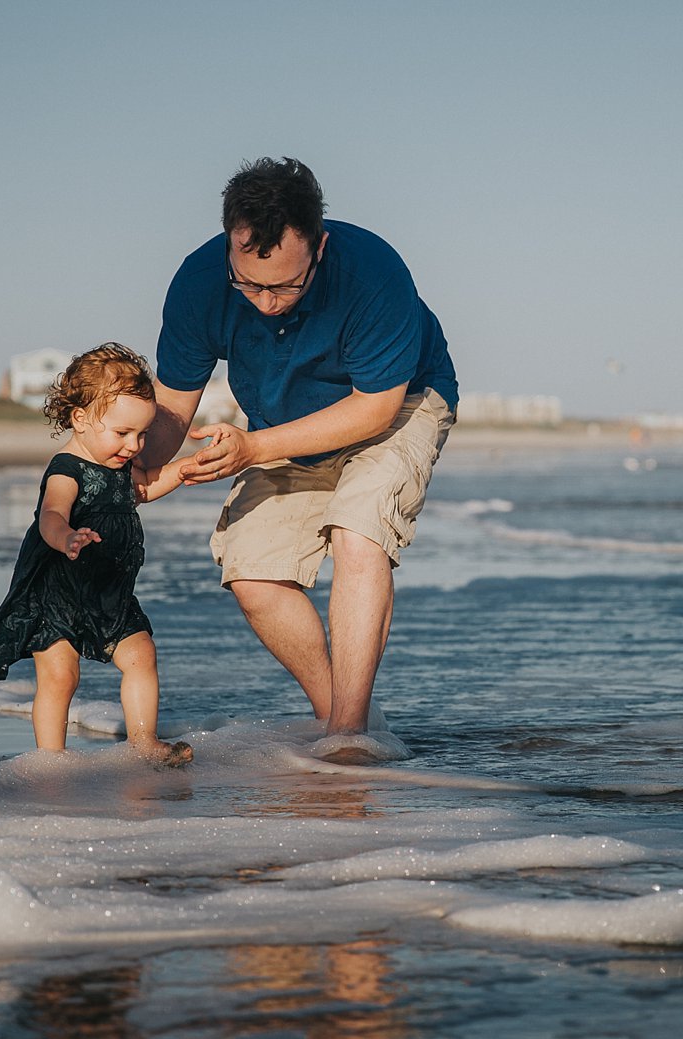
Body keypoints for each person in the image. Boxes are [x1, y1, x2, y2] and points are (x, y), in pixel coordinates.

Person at [143, 157, 458, 742]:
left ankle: (347, 738)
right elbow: (172, 411)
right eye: (249, 284)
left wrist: (253, 447)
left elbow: (375, 409)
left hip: (400, 401)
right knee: (253, 574)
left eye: (285, 285)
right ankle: (339, 713)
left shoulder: (373, 274)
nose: (265, 302)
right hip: (281, 420)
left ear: (320, 246)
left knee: (358, 532)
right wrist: (123, 475)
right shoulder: (199, 282)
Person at [0, 343, 194, 764]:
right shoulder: (66, 468)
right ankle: (50, 759)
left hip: (107, 589)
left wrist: (183, 469)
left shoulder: (120, 466)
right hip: (58, 590)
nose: (133, 445)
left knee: (141, 655)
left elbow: (144, 486)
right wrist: (67, 538)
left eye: (142, 434)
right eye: (122, 433)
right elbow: (52, 514)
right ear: (80, 418)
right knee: (60, 676)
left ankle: (144, 743)